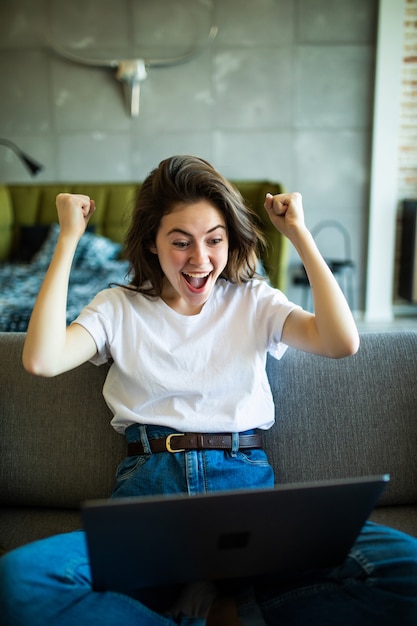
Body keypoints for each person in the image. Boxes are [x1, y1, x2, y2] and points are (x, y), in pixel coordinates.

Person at [0, 155, 416, 626]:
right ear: (152, 244)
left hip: (245, 496)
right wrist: (69, 239)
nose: (201, 260)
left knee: (404, 567)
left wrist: (299, 234)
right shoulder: (118, 306)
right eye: (180, 242)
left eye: (214, 240)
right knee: (19, 580)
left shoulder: (253, 299)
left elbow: (342, 342)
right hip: (148, 502)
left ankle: (228, 613)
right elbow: (41, 359)